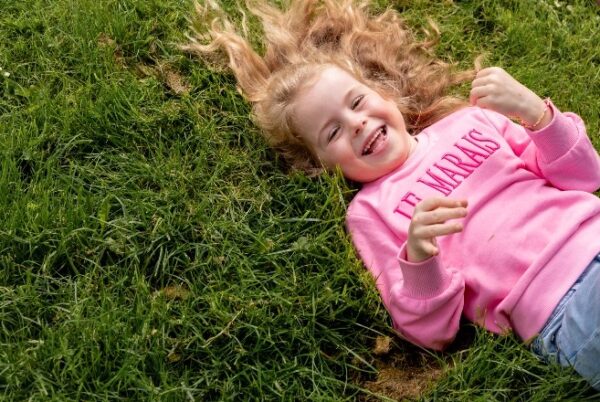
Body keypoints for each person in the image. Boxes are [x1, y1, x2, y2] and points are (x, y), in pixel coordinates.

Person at [184, 0, 600, 389]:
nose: (357, 124)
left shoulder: (473, 121)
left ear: (385, 93)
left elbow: (584, 176)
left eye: (357, 102)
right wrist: (420, 257)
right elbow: (431, 332)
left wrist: (536, 112)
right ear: (319, 165)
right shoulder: (370, 212)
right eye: (332, 132)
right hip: (560, 306)